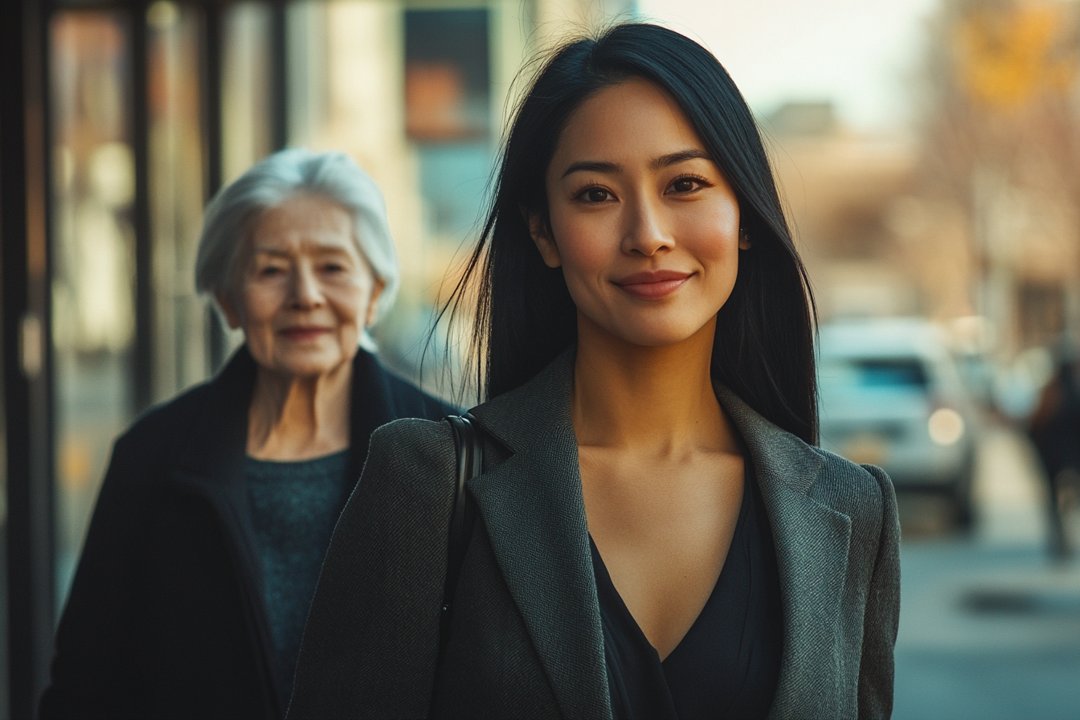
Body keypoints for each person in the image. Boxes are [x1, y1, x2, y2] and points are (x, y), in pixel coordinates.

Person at [288, 23, 900, 720]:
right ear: (542, 232)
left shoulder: (852, 512)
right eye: (595, 195)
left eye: (686, 184)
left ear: (745, 217)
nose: (648, 233)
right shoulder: (429, 483)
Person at [39, 148, 455, 720]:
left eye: (333, 267)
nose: (304, 294)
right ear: (230, 300)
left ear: (375, 292)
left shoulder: (448, 452)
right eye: (271, 269)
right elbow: (85, 683)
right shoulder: (153, 457)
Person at [1028, 343, 1080, 559]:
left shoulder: (1050, 394)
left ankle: (1060, 543)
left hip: (1052, 461)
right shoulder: (1067, 393)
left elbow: (1034, 427)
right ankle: (1061, 542)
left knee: (1053, 504)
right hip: (1071, 461)